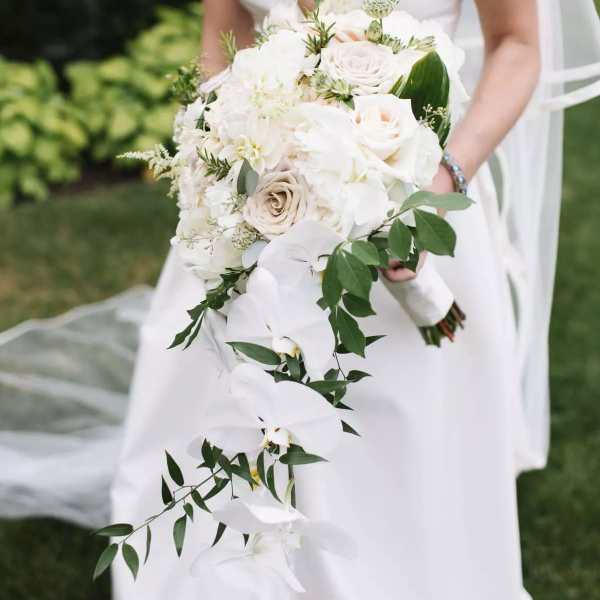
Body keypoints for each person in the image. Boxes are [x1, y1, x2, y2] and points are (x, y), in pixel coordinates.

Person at [108, 1, 541, 599]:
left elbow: (518, 45)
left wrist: (437, 184)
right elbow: (222, 34)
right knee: (228, 405)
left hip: (417, 190)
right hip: (260, 200)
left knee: (390, 430)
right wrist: (224, 152)